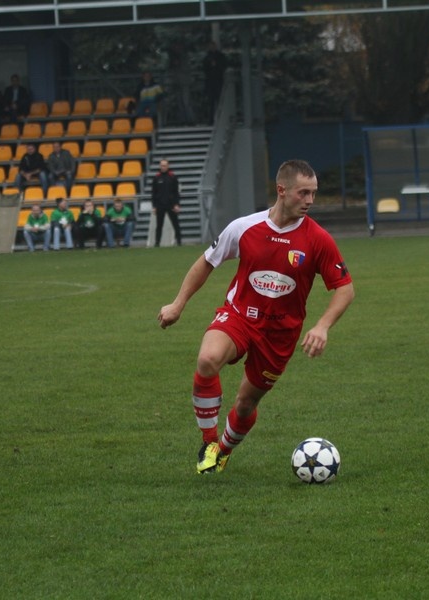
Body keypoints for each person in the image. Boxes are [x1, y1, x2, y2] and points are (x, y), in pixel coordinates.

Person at [157, 159, 354, 474]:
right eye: (303, 193)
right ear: (281, 190)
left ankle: (222, 451)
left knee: (246, 403)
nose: (310, 201)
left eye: (313, 193)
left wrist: (322, 326)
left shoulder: (318, 239)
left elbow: (345, 288)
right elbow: (207, 261)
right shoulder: (244, 227)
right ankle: (209, 441)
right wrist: (178, 304)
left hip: (280, 334)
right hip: (239, 316)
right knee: (208, 359)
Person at [151, 158, 182, 247]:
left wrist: (177, 204)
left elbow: (176, 192)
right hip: (160, 205)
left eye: (164, 165)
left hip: (171, 204)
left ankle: (179, 242)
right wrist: (154, 206)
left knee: (176, 224)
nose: (163, 167)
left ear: (168, 166)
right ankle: (157, 243)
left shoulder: (172, 177)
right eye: (161, 165)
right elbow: (153, 193)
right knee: (159, 225)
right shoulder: (156, 177)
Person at [202, 41, 226, 124]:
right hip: (210, 82)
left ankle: (221, 118)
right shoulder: (207, 57)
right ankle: (211, 119)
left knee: (220, 101)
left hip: (218, 81)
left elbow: (223, 66)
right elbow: (205, 68)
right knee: (211, 102)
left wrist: (216, 65)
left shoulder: (220, 56)